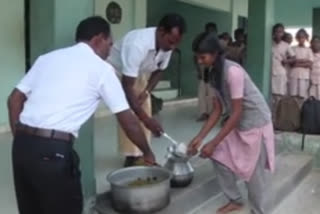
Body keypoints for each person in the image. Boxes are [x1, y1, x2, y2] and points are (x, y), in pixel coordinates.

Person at [7, 16, 156, 214]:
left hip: (22, 147)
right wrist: (146, 151)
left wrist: (21, 136)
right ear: (98, 39)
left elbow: (13, 100)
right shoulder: (102, 69)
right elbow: (128, 120)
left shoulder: (47, 59)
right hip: (53, 151)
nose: (110, 50)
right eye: (109, 44)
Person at [188, 32, 275, 214]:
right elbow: (218, 110)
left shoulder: (232, 72)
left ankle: (259, 211)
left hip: (255, 123)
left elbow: (236, 113)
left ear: (215, 54)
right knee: (218, 155)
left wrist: (212, 142)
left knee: (254, 175)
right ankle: (235, 200)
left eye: (202, 57)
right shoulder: (212, 74)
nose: (199, 61)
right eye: (197, 57)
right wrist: (200, 137)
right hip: (240, 123)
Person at [107, 13, 186, 167]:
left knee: (145, 107)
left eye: (175, 44)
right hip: (117, 71)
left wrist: (147, 91)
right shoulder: (137, 44)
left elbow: (160, 70)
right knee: (128, 111)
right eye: (170, 42)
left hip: (139, 71)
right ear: (161, 31)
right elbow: (127, 85)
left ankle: (143, 153)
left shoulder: (168, 45)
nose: (172, 47)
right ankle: (131, 157)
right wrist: (145, 119)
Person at [271, 23, 295, 120]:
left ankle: (278, 120)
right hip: (269, 73)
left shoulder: (286, 45)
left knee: (279, 97)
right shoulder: (269, 43)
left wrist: (287, 61)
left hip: (280, 73)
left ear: (283, 33)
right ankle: (270, 120)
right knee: (270, 97)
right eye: (277, 31)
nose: (278, 34)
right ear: (273, 32)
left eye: (281, 32)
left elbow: (294, 58)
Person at [195, 23, 219, 121]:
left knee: (212, 93)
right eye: (208, 30)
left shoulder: (217, 43)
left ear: (215, 31)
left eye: (212, 30)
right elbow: (195, 56)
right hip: (203, 68)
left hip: (213, 69)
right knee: (201, 92)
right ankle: (203, 113)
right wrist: (198, 70)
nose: (210, 32)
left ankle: (211, 113)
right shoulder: (201, 42)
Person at [289, 29, 313, 103]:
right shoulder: (292, 48)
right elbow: (292, 63)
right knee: (293, 96)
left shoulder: (309, 50)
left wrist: (297, 62)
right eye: (299, 37)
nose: (301, 39)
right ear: (296, 38)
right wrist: (303, 60)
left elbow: (310, 64)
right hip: (294, 75)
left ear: (306, 38)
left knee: (302, 96)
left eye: (303, 37)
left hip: (304, 76)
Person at [310, 35, 320, 100]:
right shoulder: (308, 53)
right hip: (310, 82)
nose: (316, 44)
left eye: (317, 42)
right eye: (314, 42)